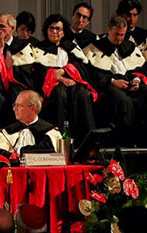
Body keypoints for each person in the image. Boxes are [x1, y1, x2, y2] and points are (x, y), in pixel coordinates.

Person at [0, 14, 43, 142]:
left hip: (15, 86)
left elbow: (25, 75)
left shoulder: (23, 47)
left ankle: (16, 139)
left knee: (17, 95)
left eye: (1, 26)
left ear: (12, 28)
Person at [83, 15, 147, 145]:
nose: (120, 39)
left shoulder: (130, 46)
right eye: (117, 34)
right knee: (124, 101)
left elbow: (140, 67)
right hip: (109, 84)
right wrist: (113, 82)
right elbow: (94, 74)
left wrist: (136, 79)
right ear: (108, 30)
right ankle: (126, 143)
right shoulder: (94, 48)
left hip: (130, 81)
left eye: (122, 35)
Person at [34, 14, 96, 136]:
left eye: (58, 29)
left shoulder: (71, 47)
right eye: (51, 28)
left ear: (63, 32)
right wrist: (61, 79)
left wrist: (64, 71)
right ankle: (59, 137)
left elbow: (82, 66)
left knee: (82, 93)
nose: (54, 32)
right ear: (46, 30)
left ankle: (86, 138)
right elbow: (39, 71)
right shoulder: (38, 48)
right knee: (59, 93)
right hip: (52, 84)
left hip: (72, 80)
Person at [0, 90, 62, 157]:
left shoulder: (49, 131)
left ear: (32, 109)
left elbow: (48, 151)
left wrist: (20, 151)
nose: (14, 109)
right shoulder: (9, 131)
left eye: (19, 105)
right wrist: (11, 156)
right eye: (14, 105)